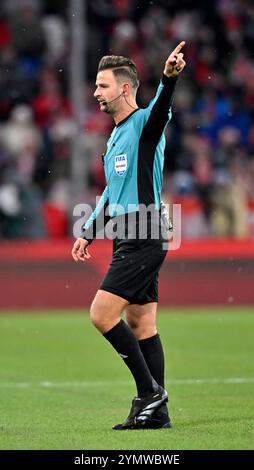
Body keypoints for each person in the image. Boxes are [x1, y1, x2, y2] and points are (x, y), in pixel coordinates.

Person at [71, 42, 186, 430]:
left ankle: (149, 393)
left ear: (123, 88)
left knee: (101, 314)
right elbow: (109, 194)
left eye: (102, 86)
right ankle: (159, 415)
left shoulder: (145, 126)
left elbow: (162, 106)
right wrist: (88, 230)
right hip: (127, 235)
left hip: (144, 232)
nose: (95, 93)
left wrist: (169, 77)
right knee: (141, 323)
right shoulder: (115, 137)